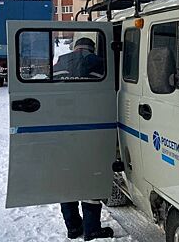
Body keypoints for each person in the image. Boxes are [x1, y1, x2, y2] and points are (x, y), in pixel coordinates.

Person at [54, 37, 113, 240]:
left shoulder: (61, 61)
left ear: (74, 47)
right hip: (91, 128)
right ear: (92, 48)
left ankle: (73, 228)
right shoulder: (100, 62)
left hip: (62, 129)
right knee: (91, 178)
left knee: (66, 178)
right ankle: (92, 229)